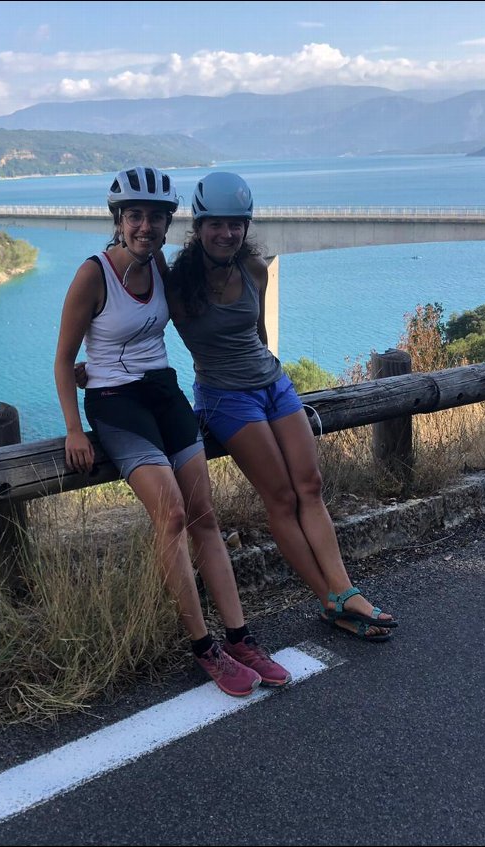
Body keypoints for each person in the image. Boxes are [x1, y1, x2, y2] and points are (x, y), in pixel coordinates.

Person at [54, 166, 290, 696]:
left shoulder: (161, 265)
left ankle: (240, 637)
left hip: (164, 392)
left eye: (156, 218)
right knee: (174, 514)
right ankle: (203, 646)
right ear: (118, 221)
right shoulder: (92, 274)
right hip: (116, 405)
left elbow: (202, 313)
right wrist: (74, 428)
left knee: (205, 514)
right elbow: (64, 360)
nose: (145, 226)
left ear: (167, 226)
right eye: (135, 216)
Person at [167, 171, 398, 641]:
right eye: (217, 224)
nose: (227, 233)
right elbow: (133, 325)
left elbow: (259, 336)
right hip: (225, 399)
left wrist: (270, 374)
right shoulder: (177, 284)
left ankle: (344, 589)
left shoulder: (253, 269)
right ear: (199, 225)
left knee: (310, 487)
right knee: (282, 497)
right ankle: (331, 600)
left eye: (237, 224)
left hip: (274, 384)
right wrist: (98, 368)